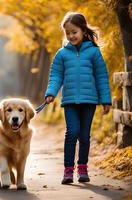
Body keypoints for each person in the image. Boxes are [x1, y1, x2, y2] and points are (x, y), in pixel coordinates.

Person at [44, 12, 111, 184]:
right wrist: (51, 93)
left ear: (83, 30)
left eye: (74, 31)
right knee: (71, 133)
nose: (71, 36)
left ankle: (82, 168)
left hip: (89, 101)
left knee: (85, 136)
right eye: (68, 33)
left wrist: (105, 100)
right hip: (70, 101)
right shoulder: (62, 54)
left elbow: (101, 76)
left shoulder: (94, 52)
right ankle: (68, 171)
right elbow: (56, 76)